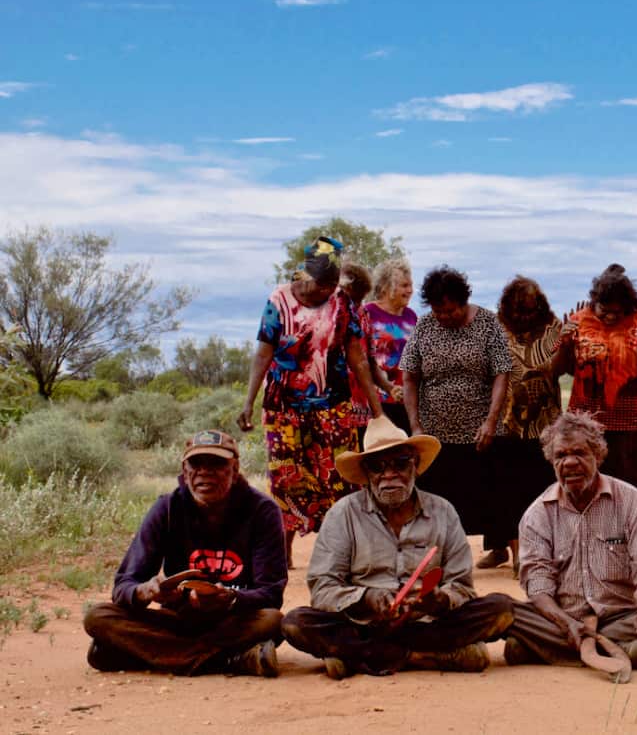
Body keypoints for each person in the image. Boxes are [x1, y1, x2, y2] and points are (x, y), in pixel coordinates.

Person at [282, 416, 515, 678]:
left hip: (428, 623)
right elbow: (323, 587)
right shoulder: (343, 514)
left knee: (501, 607)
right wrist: (365, 598)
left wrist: (438, 601)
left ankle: (360, 657)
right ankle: (424, 657)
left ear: (415, 465)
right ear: (366, 474)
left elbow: (461, 585)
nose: (389, 474)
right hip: (365, 624)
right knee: (296, 623)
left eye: (400, 464)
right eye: (378, 467)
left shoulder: (443, 511)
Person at [83, 430, 286, 677]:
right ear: (184, 469)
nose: (204, 471)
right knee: (98, 616)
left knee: (272, 621)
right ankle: (229, 661)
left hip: (232, 621)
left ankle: (148, 654)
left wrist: (231, 598)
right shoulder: (167, 508)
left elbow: (271, 593)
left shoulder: (262, 511)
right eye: (196, 464)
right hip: (178, 620)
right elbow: (123, 585)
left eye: (217, 464)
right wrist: (145, 590)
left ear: (235, 469)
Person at [238, 237, 383, 567]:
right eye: (322, 284)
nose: (327, 291)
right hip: (283, 409)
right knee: (287, 481)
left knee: (339, 479)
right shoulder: (279, 301)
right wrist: (249, 402)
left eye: (333, 284)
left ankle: (343, 553)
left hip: (333, 408)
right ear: (305, 276)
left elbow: (358, 359)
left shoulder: (342, 302)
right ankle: (283, 552)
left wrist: (377, 411)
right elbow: (263, 352)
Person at [504, 411, 637, 670]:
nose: (569, 463)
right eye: (561, 456)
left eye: (579, 453)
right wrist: (567, 623)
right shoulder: (538, 514)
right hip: (562, 618)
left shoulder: (631, 501)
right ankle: (619, 648)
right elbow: (537, 582)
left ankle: (543, 649)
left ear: (598, 455)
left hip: (620, 615)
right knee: (509, 613)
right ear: (551, 461)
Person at [400, 265, 512, 567]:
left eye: (450, 310)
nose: (444, 317)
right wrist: (415, 425)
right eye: (438, 311)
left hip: (480, 426)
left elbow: (502, 373)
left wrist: (491, 421)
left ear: (463, 301)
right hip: (435, 430)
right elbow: (409, 377)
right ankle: (438, 558)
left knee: (491, 490)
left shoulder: (487, 323)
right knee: (438, 496)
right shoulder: (424, 327)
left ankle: (500, 547)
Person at [552, 265, 637, 503]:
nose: (611, 316)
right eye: (605, 310)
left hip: (629, 423)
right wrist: (564, 344)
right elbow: (556, 370)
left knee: (631, 487)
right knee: (585, 483)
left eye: (617, 311)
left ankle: (633, 537)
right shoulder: (578, 321)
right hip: (585, 423)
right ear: (595, 301)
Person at [489, 275, 563, 577]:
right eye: (519, 311)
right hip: (506, 422)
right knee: (509, 489)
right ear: (507, 307)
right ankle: (517, 553)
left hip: (546, 424)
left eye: (530, 311)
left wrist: (566, 345)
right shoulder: (495, 327)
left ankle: (545, 553)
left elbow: (562, 369)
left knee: (544, 489)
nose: (524, 317)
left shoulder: (554, 328)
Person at [341, 261, 396, 447]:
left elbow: (369, 363)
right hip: (334, 410)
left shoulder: (363, 315)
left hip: (362, 410)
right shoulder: (325, 316)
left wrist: (389, 387)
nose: (355, 305)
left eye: (360, 300)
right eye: (352, 299)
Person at [364, 257, 418, 434]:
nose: (410, 290)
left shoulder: (411, 316)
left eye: (410, 285)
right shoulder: (368, 313)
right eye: (404, 285)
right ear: (387, 287)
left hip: (406, 399)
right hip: (375, 400)